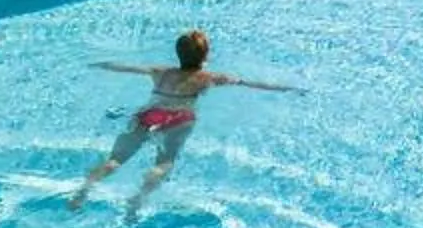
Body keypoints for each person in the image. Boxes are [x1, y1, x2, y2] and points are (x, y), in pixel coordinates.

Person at [69, 29, 297, 215]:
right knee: (165, 161)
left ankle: (82, 192)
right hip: (178, 119)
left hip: (148, 114)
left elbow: (122, 67)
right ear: (205, 56)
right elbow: (250, 83)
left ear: (177, 53)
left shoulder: (160, 71)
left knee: (115, 159)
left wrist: (96, 64)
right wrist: (287, 88)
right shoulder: (209, 78)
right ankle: (138, 198)